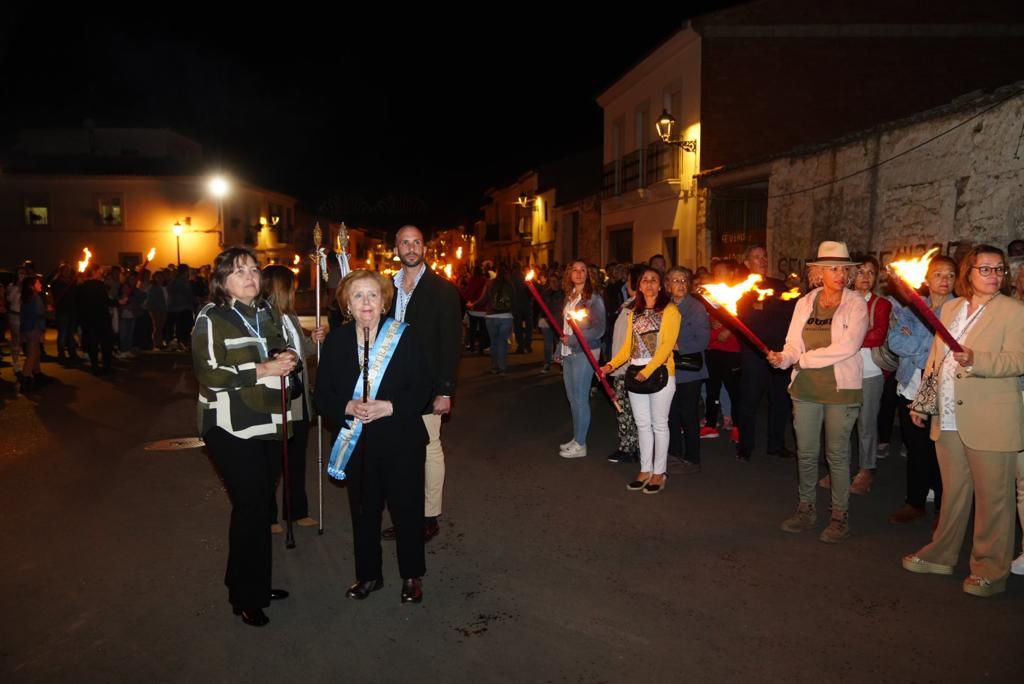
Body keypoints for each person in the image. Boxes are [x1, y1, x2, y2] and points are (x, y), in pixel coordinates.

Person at [902, 245, 1024, 597]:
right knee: (953, 493)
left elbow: (1018, 360)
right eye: (985, 269)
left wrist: (977, 359)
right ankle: (941, 554)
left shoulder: (1014, 312)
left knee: (993, 500)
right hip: (950, 414)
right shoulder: (952, 307)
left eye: (999, 269)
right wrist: (923, 402)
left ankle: (990, 569)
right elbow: (935, 359)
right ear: (969, 273)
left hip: (992, 416)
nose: (994, 275)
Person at [192, 246, 298, 627]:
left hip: (268, 421)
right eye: (239, 272)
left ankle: (253, 582)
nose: (251, 277)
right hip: (229, 425)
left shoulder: (266, 312)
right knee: (251, 505)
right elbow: (210, 374)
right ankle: (244, 596)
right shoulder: (211, 317)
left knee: (259, 507)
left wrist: (288, 359)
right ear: (221, 280)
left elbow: (283, 350)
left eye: (254, 270)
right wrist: (263, 368)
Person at [315, 270, 431, 603]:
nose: (366, 302)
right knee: (364, 513)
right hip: (359, 444)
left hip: (401, 440)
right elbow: (322, 395)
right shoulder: (336, 342)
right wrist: (347, 406)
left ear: (384, 302)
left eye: (373, 296)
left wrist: (390, 407)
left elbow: (423, 387)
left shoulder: (405, 337)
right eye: (358, 296)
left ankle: (411, 575)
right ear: (347, 305)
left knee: (407, 511)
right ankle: (368, 575)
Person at [768, 241, 868, 543]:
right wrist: (783, 358)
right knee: (807, 453)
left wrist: (804, 359)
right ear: (819, 273)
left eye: (844, 269)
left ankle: (839, 516)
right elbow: (793, 343)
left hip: (841, 389)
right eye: (833, 269)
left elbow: (848, 346)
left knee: (837, 455)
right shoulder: (805, 302)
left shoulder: (856, 303)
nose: (840, 275)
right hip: (806, 388)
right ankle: (806, 508)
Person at [385, 225, 462, 543]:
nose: (411, 247)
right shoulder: (385, 288)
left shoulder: (443, 290)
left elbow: (451, 343)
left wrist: (445, 390)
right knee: (396, 452)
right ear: (397, 248)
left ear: (424, 248)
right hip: (389, 385)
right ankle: (405, 514)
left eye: (416, 242)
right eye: (405, 242)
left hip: (427, 384)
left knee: (430, 448)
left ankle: (429, 516)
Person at [887, 256, 955, 525]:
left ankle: (943, 508)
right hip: (909, 386)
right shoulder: (912, 308)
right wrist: (923, 352)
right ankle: (914, 502)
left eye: (950, 275)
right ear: (926, 279)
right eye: (938, 274)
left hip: (940, 390)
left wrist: (916, 346)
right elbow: (894, 341)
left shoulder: (959, 310)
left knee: (941, 451)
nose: (944, 280)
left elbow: (946, 351)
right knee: (916, 448)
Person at [602, 266, 680, 493]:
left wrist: (648, 370)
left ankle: (659, 472)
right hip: (636, 373)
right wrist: (609, 365)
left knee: (659, 424)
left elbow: (666, 347)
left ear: (661, 284)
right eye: (644, 280)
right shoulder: (634, 312)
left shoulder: (670, 311)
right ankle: (645, 469)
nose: (648, 284)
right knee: (642, 424)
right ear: (638, 285)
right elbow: (629, 347)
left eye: (653, 280)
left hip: (660, 373)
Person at [260, 265, 326, 532]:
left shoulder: (291, 316)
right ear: (280, 287)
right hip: (277, 397)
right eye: (292, 286)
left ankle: (296, 511)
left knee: (297, 457)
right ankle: (268, 516)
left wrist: (313, 340)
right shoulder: (263, 318)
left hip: (298, 397)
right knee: (274, 461)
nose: (296, 290)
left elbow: (302, 352)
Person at [735, 245, 795, 460]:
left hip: (779, 353)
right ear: (747, 262)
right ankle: (745, 446)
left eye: (765, 256)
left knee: (780, 400)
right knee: (749, 400)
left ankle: (776, 444)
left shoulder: (778, 285)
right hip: (754, 354)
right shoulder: (740, 289)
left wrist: (765, 307)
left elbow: (790, 310)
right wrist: (771, 307)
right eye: (756, 257)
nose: (762, 260)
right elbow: (745, 317)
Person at [849, 256, 892, 494]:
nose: (865, 277)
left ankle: (866, 469)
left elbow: (878, 336)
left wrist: (846, 340)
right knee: (841, 424)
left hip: (869, 372)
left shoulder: (881, 305)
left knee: (866, 423)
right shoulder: (840, 301)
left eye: (871, 272)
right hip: (843, 371)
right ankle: (839, 468)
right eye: (860, 271)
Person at [558, 260, 606, 459]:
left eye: (583, 270)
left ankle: (581, 443)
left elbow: (599, 329)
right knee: (572, 398)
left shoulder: (594, 299)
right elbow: (564, 328)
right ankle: (576, 437)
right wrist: (559, 350)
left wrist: (575, 339)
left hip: (584, 352)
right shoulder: (570, 297)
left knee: (580, 398)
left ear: (589, 274)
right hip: (569, 351)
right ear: (569, 274)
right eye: (574, 269)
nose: (578, 273)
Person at [665, 267, 710, 474]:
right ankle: (674, 453)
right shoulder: (664, 306)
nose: (680, 284)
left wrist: (676, 346)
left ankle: (693, 458)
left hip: (690, 371)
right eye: (675, 280)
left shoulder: (696, 308)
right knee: (671, 413)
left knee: (688, 414)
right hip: (669, 369)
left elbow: (702, 341)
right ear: (668, 285)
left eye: (684, 280)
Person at [18, 276, 46, 392]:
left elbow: (24, 315)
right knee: (32, 355)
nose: (40, 285)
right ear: (32, 286)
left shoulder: (26, 298)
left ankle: (37, 373)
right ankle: (25, 379)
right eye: (38, 283)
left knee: (35, 352)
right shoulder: (36, 298)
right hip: (34, 329)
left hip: (27, 329)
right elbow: (39, 315)